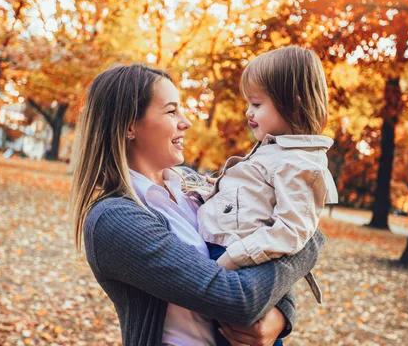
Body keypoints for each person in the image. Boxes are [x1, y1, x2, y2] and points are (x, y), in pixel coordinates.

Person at [70, 64, 326, 346]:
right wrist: (309, 243)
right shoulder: (115, 219)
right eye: (171, 111)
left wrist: (281, 316)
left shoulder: (198, 194)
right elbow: (236, 299)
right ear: (130, 125)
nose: (186, 122)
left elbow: (263, 251)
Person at [194, 46, 338, 346]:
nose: (248, 112)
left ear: (294, 104)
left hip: (242, 267)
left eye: (257, 103)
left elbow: (292, 231)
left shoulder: (299, 163)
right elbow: (249, 204)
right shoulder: (275, 150)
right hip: (232, 260)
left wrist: (234, 258)